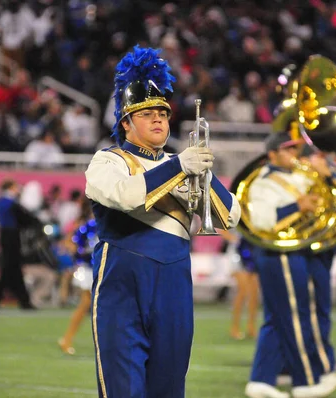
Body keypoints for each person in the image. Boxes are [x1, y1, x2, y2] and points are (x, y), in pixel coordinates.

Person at [85, 45, 240, 398]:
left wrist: (206, 176)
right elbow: (125, 195)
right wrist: (180, 167)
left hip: (174, 284)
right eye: (146, 113)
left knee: (169, 389)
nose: (158, 119)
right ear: (125, 122)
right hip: (123, 282)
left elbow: (231, 217)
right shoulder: (108, 160)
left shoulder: (183, 161)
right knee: (123, 387)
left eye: (163, 113)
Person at [244, 133, 336, 398]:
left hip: (296, 251)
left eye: (294, 149)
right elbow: (262, 221)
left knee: (278, 318)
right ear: (272, 154)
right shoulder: (263, 182)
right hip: (278, 252)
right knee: (297, 317)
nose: (294, 155)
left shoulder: (298, 176)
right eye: (287, 150)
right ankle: (306, 381)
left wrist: (327, 171)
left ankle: (261, 380)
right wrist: (297, 205)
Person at [0, 179, 41, 310]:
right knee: (9, 269)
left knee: (13, 269)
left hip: (5, 235)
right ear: (10, 188)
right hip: (11, 236)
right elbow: (25, 219)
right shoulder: (11, 203)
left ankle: (23, 301)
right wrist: (36, 223)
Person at [58, 198, 97, 355]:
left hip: (102, 268)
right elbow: (69, 242)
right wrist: (78, 253)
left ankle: (67, 339)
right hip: (88, 269)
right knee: (86, 305)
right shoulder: (86, 226)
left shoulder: (104, 225)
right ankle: (67, 338)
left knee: (94, 307)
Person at [219, 229, 260, 340]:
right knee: (243, 291)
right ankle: (235, 328)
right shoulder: (232, 212)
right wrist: (236, 240)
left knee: (254, 293)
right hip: (237, 253)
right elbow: (220, 228)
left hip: (253, 250)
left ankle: (251, 327)